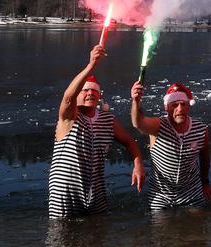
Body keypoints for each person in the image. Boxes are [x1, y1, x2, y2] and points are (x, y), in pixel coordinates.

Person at [49, 43, 144, 219]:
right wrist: (91, 66)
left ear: (100, 96)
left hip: (95, 189)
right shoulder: (69, 117)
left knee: (97, 233)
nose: (89, 93)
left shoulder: (107, 120)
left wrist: (138, 165)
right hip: (66, 190)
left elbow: (130, 142)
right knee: (61, 238)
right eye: (84, 91)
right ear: (78, 95)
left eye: (94, 91)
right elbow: (68, 97)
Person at [129, 80, 211, 210]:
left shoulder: (201, 130)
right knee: (160, 228)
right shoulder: (158, 126)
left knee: (198, 226)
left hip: (191, 192)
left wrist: (205, 182)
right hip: (161, 194)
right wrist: (135, 101)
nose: (179, 109)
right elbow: (138, 123)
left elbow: (205, 158)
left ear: (188, 106)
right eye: (174, 105)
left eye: (183, 104)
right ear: (166, 107)